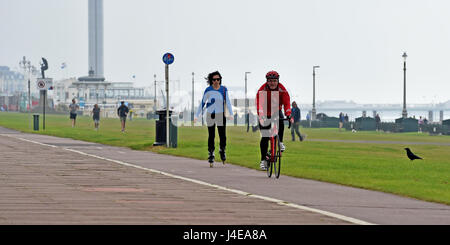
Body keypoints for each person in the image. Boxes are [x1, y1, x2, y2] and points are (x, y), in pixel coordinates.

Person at [194, 71, 233, 166]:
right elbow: (202, 103)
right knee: (211, 135)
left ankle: (222, 150)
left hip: (221, 114)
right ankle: (211, 153)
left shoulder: (223, 89)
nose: (216, 81)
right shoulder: (208, 90)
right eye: (214, 79)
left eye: (218, 79)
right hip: (211, 114)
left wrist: (231, 114)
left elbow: (227, 101)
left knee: (222, 135)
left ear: (220, 80)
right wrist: (197, 115)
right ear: (211, 80)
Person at [256, 70, 293, 170]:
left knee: (281, 119)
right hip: (265, 113)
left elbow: (287, 104)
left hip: (276, 111)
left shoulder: (282, 89)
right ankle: (263, 160)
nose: (272, 83)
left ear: (278, 81)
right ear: (267, 81)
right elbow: (260, 105)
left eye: (274, 81)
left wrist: (289, 115)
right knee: (265, 137)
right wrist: (262, 115)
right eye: (270, 81)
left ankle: (280, 142)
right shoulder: (262, 89)